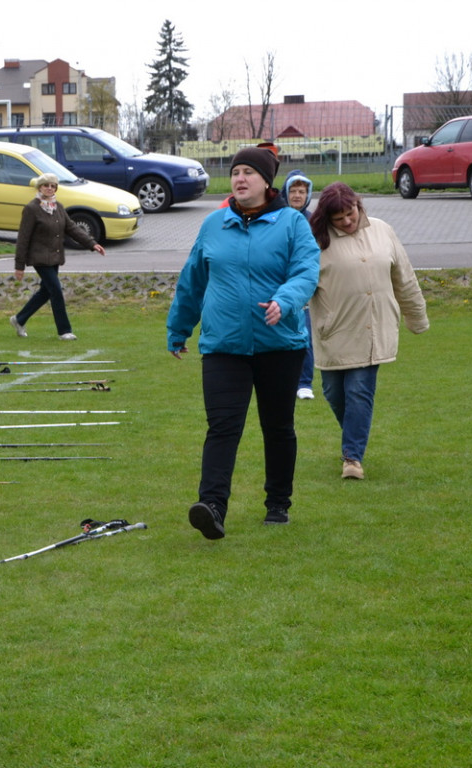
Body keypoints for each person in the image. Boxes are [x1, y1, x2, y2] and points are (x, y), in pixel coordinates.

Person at [167, 147, 319, 538]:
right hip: (223, 346)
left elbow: (306, 271)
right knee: (222, 427)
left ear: (267, 181)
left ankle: (278, 503)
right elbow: (192, 281)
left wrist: (284, 302)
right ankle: (212, 506)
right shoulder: (213, 225)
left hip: (280, 345)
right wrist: (178, 328)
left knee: (278, 427)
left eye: (249, 172)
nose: (240, 179)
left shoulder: (292, 224)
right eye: (236, 172)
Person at [308, 182, 429, 481]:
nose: (348, 222)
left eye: (351, 214)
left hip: (373, 328)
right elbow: (299, 283)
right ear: (328, 219)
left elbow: (404, 277)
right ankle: (354, 434)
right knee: (334, 393)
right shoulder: (314, 242)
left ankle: (352, 458)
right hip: (333, 332)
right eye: (339, 220)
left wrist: (417, 318)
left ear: (358, 205)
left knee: (359, 391)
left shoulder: (382, 230)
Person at [9, 172, 105, 341]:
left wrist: (91, 243)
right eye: (46, 185)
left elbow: (72, 228)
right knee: (56, 290)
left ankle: (19, 319)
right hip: (39, 258)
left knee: (46, 291)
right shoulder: (31, 209)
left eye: (53, 186)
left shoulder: (58, 207)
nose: (49, 188)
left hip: (55, 258)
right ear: (40, 187)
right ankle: (64, 331)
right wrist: (19, 265)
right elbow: (23, 238)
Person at [283, 169, 317, 400]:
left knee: (304, 335)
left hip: (304, 289)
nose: (297, 195)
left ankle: (304, 383)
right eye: (293, 191)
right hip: (279, 287)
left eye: (301, 191)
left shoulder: (314, 221)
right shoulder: (277, 217)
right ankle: (283, 380)